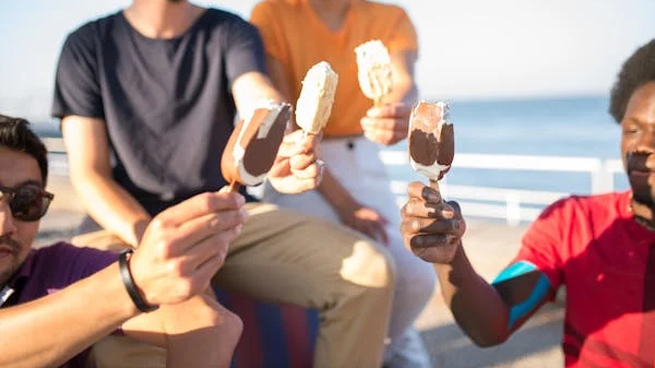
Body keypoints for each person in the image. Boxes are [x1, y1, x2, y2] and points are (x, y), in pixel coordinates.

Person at [51, 0, 397, 367]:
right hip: (122, 227)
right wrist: (158, 245)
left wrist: (281, 138)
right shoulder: (86, 45)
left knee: (368, 271)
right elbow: (89, 174)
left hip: (225, 212)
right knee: (142, 345)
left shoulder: (229, 30)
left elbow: (257, 95)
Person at [400, 39, 655, 367]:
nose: (641, 146)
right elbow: (493, 323)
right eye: (632, 129)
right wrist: (449, 256)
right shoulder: (573, 223)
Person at [250, 0, 435, 366]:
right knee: (345, 272)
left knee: (416, 278)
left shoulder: (390, 18)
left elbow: (404, 83)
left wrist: (399, 111)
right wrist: (347, 206)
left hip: (363, 154)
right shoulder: (271, 13)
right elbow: (291, 126)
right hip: (298, 163)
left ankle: (372, 350)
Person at [0, 115, 243, 368]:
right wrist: (133, 284)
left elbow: (209, 322)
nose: (5, 225)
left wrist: (139, 279)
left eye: (26, 202)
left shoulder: (57, 269)